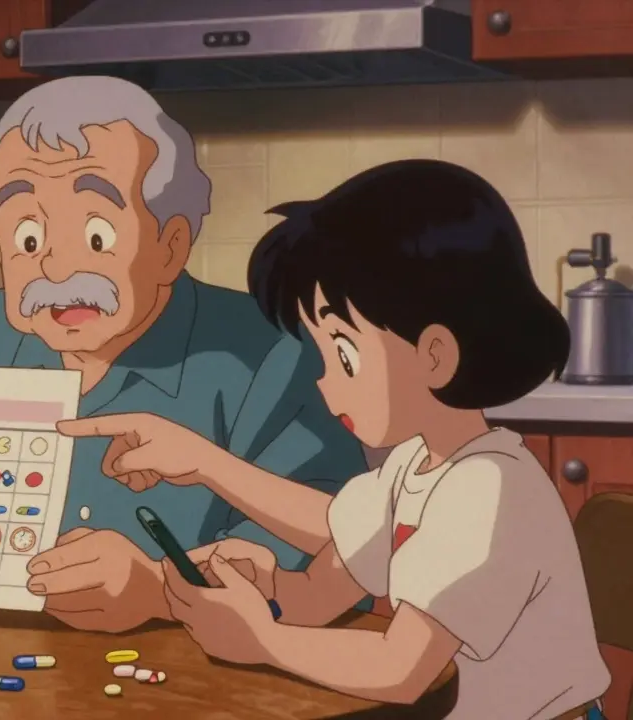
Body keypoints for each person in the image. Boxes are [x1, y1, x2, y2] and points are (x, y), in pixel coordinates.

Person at [0, 75, 367, 633]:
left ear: (171, 245)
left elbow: (337, 557)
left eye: (97, 236)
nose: (57, 268)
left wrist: (161, 590)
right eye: (28, 239)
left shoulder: (274, 350)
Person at [59, 160, 611, 718]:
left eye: (344, 353)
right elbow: (320, 592)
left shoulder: (488, 488)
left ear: (435, 354)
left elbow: (401, 670)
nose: (324, 381)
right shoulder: (415, 467)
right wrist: (266, 582)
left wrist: (261, 638)